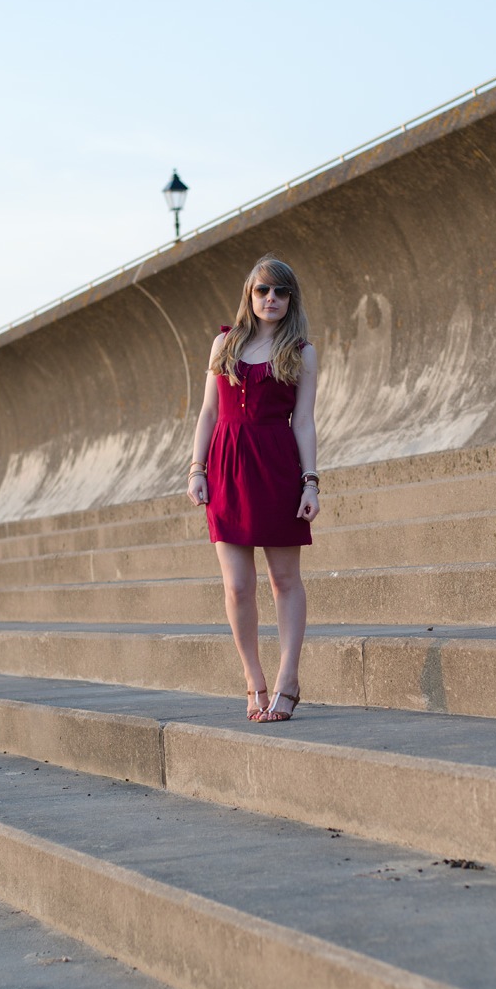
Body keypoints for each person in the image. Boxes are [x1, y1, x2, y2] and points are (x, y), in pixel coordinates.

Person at [187, 255, 320, 723]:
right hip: (226, 466)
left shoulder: (301, 352)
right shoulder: (224, 343)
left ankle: (288, 680)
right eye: (264, 291)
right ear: (250, 294)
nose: (272, 299)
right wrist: (196, 469)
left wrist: (310, 482)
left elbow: (303, 421)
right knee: (238, 586)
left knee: (284, 581)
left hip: (278, 467)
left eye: (281, 292)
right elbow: (208, 413)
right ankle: (253, 680)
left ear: (291, 299)